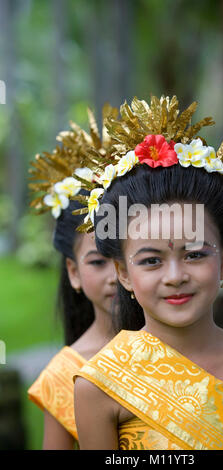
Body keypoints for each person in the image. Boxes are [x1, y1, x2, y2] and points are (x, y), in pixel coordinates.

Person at [73, 95, 223, 450]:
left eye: (194, 254)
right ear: (123, 273)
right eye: (151, 260)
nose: (175, 275)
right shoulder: (99, 384)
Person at [27, 108, 118, 450]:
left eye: (128, 258)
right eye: (98, 262)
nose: (116, 276)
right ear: (73, 272)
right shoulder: (65, 375)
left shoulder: (191, 347)